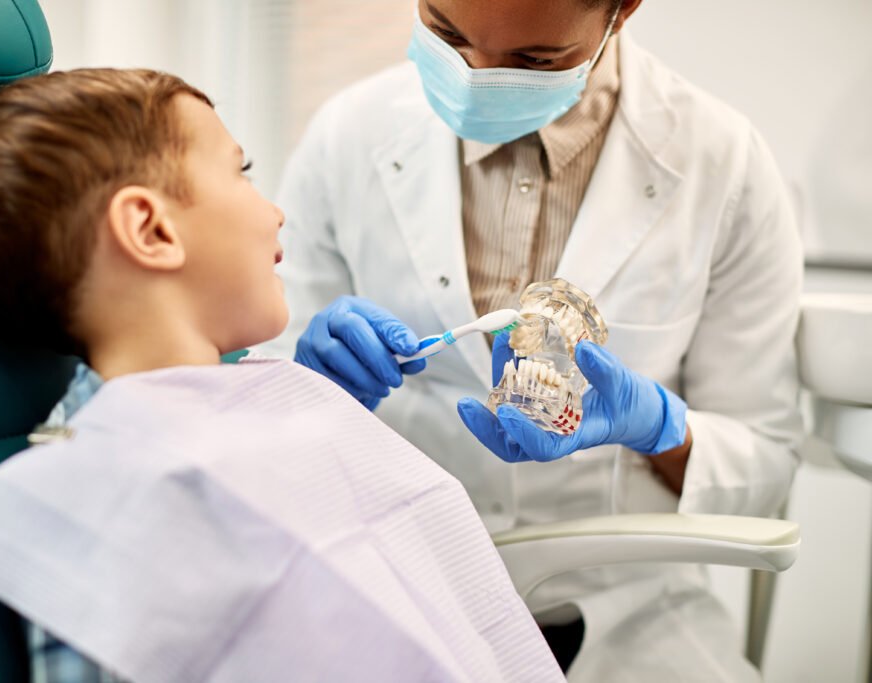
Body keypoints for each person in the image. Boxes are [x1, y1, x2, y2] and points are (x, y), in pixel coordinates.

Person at [0, 69, 563, 682]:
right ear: (150, 228)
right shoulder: (91, 494)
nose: (275, 211)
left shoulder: (266, 394)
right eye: (242, 172)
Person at [261, 0, 803, 679]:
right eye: (447, 33)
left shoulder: (721, 162)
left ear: (623, 10)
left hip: (627, 621)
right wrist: (310, 395)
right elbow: (271, 441)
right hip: (393, 600)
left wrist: (660, 428)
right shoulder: (348, 136)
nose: (474, 80)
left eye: (534, 61)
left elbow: (765, 460)